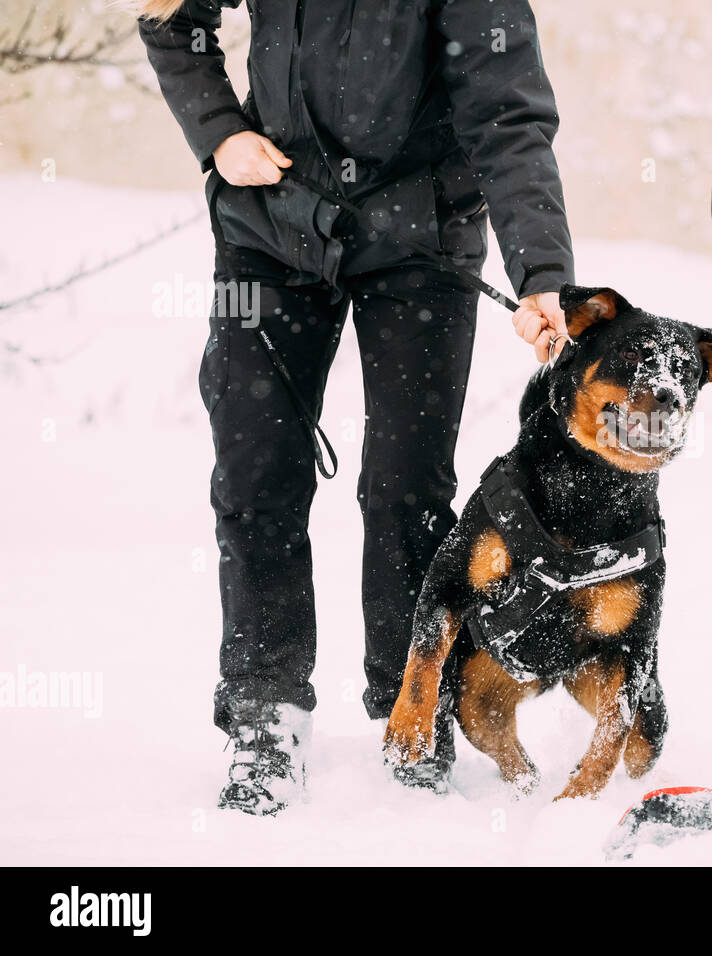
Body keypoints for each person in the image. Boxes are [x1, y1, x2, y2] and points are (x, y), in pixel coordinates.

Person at [138, 0, 573, 815]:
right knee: (256, 474)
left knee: (406, 486)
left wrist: (542, 270)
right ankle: (265, 713)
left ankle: (412, 707)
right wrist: (219, 131)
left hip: (420, 235)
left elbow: (506, 111)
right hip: (268, 229)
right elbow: (171, 14)